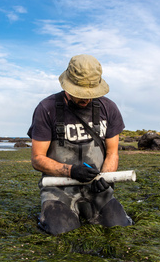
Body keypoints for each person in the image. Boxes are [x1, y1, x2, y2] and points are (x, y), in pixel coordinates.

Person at [27, 54, 134, 235]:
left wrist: (105, 178)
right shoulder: (47, 109)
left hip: (96, 188)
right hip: (59, 188)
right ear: (68, 85)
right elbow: (37, 159)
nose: (86, 99)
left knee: (120, 228)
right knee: (61, 231)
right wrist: (71, 170)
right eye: (80, 94)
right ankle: (51, 215)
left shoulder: (109, 108)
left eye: (90, 94)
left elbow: (112, 153)